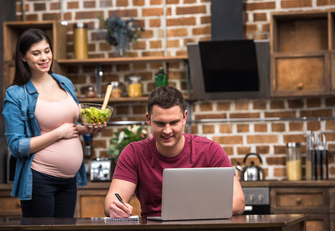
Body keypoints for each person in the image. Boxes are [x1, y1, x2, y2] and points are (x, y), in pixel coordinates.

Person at [2, 28, 103, 218]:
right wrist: (58, 134)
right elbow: (17, 146)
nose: (44, 57)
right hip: (39, 179)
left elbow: (69, 126)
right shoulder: (16, 94)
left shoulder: (63, 82)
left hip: (69, 180)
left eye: (47, 51)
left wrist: (85, 129)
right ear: (23, 57)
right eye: (36, 53)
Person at [105, 86, 245, 218]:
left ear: (184, 117)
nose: (167, 131)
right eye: (160, 123)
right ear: (148, 119)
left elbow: (238, 201)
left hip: (201, 229)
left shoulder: (210, 151)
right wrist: (114, 207)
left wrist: (194, 212)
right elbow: (112, 199)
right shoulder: (134, 153)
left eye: (173, 123)